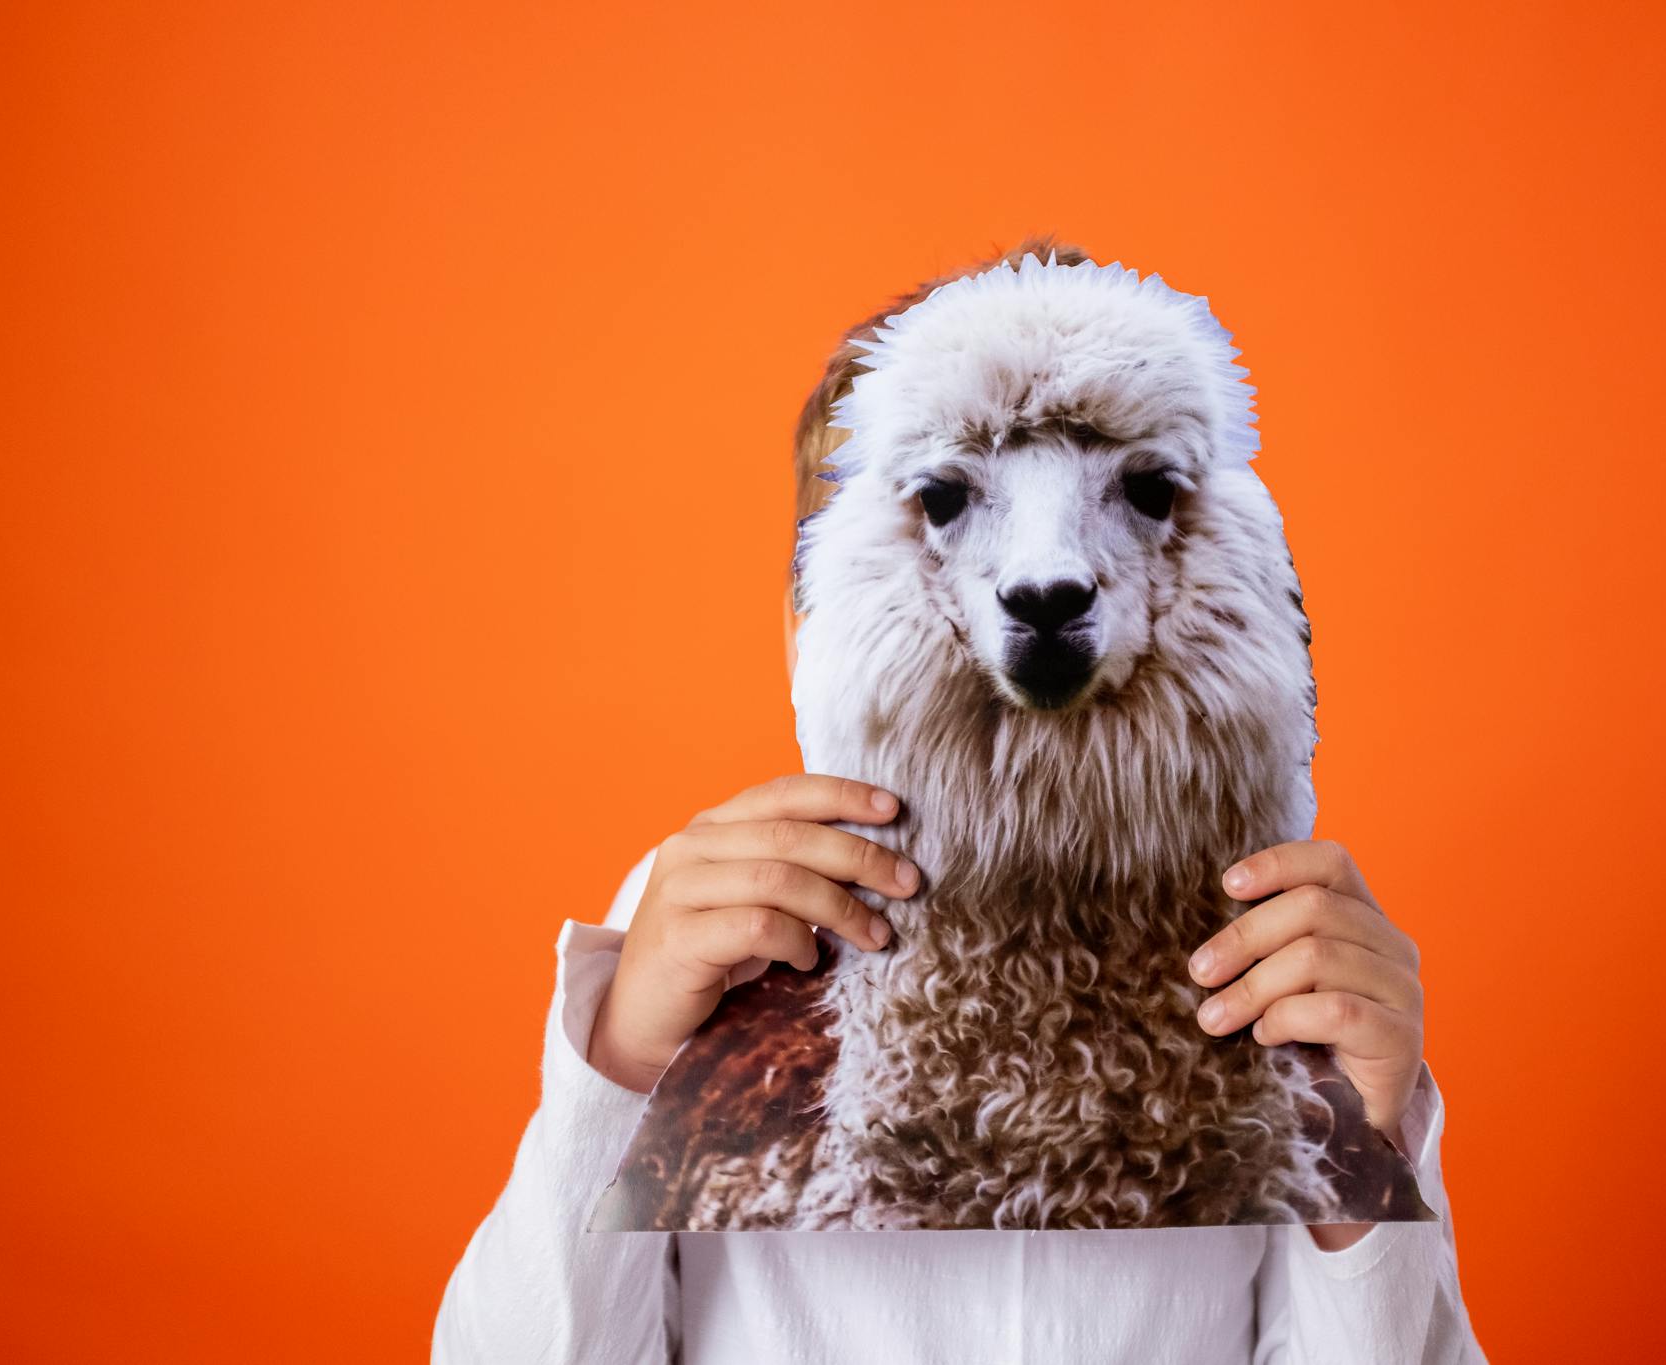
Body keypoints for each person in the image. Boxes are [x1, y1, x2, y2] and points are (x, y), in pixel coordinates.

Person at [433, 240, 1486, 1364]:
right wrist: (619, 1074)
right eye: (945, 498)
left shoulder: (1275, 954)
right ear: (827, 594)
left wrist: (1358, 1156)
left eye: (1141, 491)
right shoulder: (712, 933)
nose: (1045, 568)